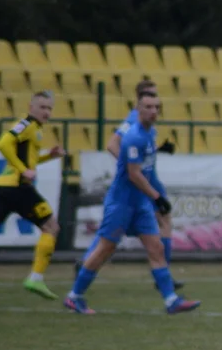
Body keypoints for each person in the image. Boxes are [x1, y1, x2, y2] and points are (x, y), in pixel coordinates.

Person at [64, 91, 200, 315]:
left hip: (140, 204)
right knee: (105, 249)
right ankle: (74, 297)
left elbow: (142, 163)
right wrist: (158, 197)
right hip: (122, 203)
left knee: (155, 248)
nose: (153, 111)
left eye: (157, 107)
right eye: (148, 107)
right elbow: (134, 174)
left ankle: (171, 301)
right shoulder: (134, 136)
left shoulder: (149, 134)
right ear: (138, 109)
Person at [76, 79, 181, 289]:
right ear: (141, 99)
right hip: (140, 182)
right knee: (114, 232)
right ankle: (163, 277)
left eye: (156, 102)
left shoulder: (147, 123)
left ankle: (164, 278)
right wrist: (129, 166)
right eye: (150, 100)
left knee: (155, 222)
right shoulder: (134, 119)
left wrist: (159, 149)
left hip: (149, 177)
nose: (154, 107)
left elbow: (141, 150)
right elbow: (113, 144)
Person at [0, 91, 66, 299]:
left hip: (2, 187)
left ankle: (36, 278)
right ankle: (36, 278)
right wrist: (22, 170)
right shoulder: (27, 124)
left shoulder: (35, 129)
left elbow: (29, 162)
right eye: (42, 107)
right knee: (51, 227)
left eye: (49, 108)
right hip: (18, 187)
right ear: (31, 107)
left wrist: (49, 157)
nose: (46, 112)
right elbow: (4, 143)